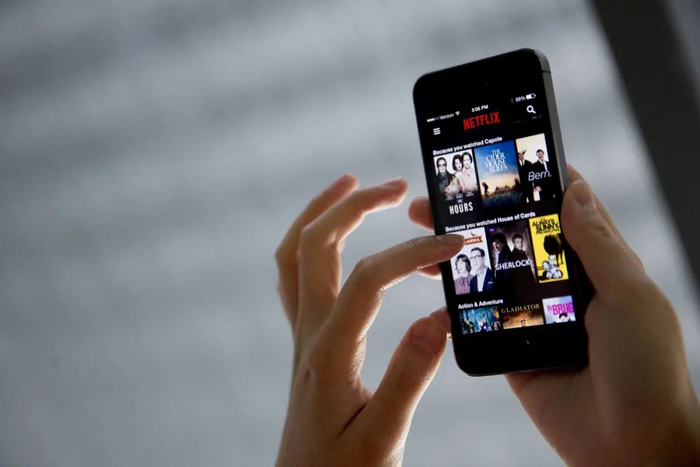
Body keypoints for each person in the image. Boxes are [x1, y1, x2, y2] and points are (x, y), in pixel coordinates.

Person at [275, 167, 700, 466]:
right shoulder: (481, 278)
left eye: (489, 250)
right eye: (485, 251)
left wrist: (652, 450)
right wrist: (653, 451)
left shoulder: (513, 267)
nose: (490, 253)